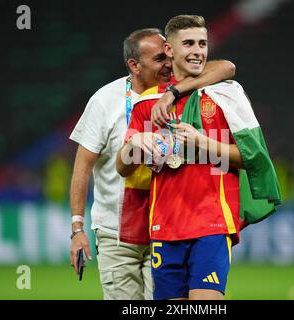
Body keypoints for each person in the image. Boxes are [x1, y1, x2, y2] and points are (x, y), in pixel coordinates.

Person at [116, 15, 281, 300]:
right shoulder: (147, 105)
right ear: (169, 50)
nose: (197, 51)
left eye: (202, 44)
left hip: (212, 223)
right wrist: (136, 145)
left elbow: (250, 158)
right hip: (164, 227)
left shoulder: (225, 95)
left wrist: (203, 143)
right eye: (189, 43)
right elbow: (123, 167)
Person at [69, 27, 236, 300]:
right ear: (134, 65)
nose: (169, 64)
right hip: (116, 231)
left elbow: (227, 67)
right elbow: (82, 167)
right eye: (159, 59)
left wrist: (173, 92)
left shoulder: (182, 89)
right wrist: (77, 229)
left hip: (165, 228)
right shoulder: (104, 101)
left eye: (169, 56)